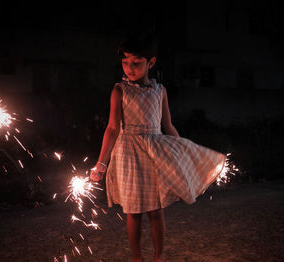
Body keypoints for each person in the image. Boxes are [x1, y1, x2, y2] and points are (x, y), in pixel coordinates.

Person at [90, 32, 226, 262]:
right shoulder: (119, 91)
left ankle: (159, 257)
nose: (129, 68)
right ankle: (137, 258)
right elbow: (113, 128)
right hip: (128, 154)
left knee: (155, 209)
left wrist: (185, 152)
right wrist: (101, 163)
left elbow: (168, 125)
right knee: (133, 212)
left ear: (151, 62)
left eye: (136, 63)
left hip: (155, 151)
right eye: (125, 62)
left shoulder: (160, 91)